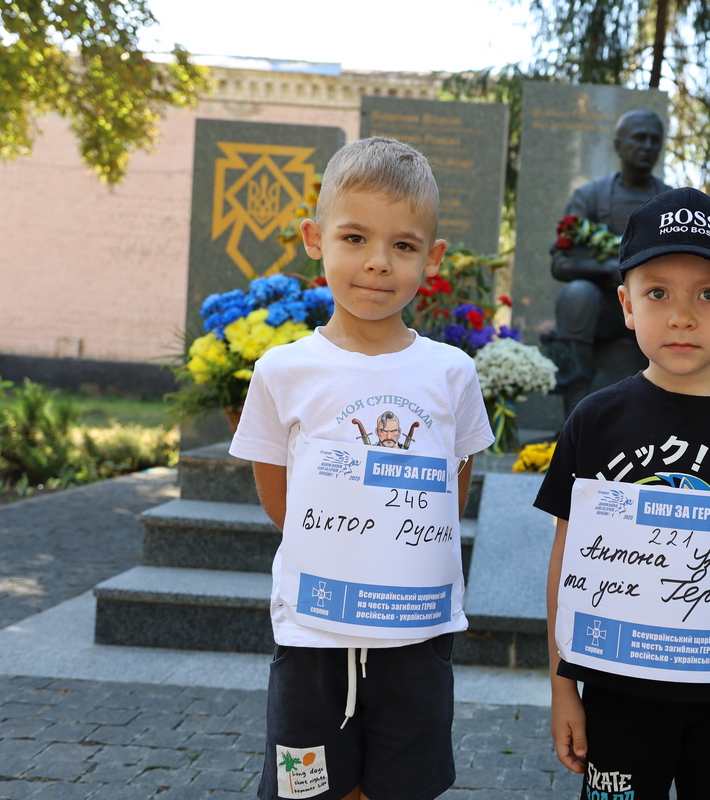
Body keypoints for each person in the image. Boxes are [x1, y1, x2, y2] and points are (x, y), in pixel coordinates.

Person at [229, 136, 494, 800]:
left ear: (432, 258)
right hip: (314, 636)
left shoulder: (452, 374)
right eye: (354, 238)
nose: (378, 262)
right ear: (313, 238)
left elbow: (449, 493)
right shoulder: (283, 371)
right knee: (309, 791)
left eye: (403, 245)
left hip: (416, 637)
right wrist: (346, 550)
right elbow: (279, 497)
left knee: (403, 786)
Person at [536, 187, 710, 799]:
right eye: (658, 292)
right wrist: (562, 688)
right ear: (627, 305)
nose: (682, 315)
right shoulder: (594, 421)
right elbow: (566, 562)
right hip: (617, 694)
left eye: (708, 294)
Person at [546, 109, 673, 416]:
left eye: (654, 140)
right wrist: (606, 269)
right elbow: (561, 263)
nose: (647, 146)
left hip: (656, 306)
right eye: (639, 138)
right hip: (604, 308)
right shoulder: (590, 197)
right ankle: (575, 403)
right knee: (576, 295)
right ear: (619, 145)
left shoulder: (671, 201)